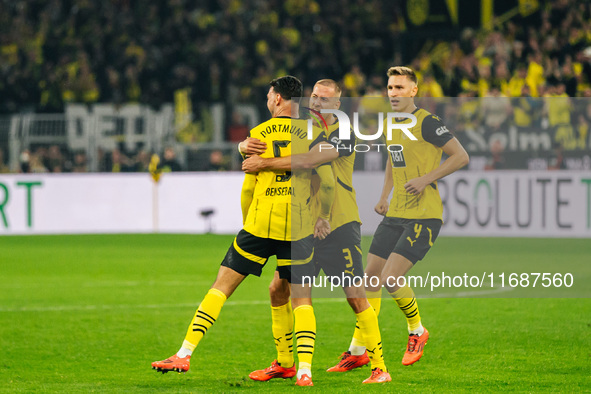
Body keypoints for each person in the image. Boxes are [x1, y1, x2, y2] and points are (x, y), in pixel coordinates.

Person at [151, 76, 335, 387]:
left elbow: (248, 187)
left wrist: (248, 220)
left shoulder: (258, 135)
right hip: (300, 225)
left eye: (268, 95)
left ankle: (184, 353)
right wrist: (324, 217)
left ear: (277, 99)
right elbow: (328, 182)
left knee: (221, 286)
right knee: (299, 298)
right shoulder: (315, 133)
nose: (267, 99)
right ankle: (302, 370)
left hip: (261, 223)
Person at [241, 79, 390, 384]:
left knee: (355, 295)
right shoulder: (305, 130)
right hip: (306, 225)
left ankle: (379, 367)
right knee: (279, 290)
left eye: (326, 99)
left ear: (337, 105)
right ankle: (284, 363)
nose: (318, 103)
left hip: (338, 224)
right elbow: (269, 140)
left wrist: (264, 163)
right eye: (315, 97)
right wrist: (242, 146)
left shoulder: (345, 134)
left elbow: (308, 160)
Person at [317, 66, 467, 369]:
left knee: (390, 278)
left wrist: (426, 179)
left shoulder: (427, 123)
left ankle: (417, 330)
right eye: (390, 87)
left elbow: (460, 156)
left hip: (424, 215)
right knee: (369, 279)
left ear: (413, 91)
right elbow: (393, 159)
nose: (393, 93)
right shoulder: (392, 123)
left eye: (400, 88)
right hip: (396, 212)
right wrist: (385, 195)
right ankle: (359, 351)